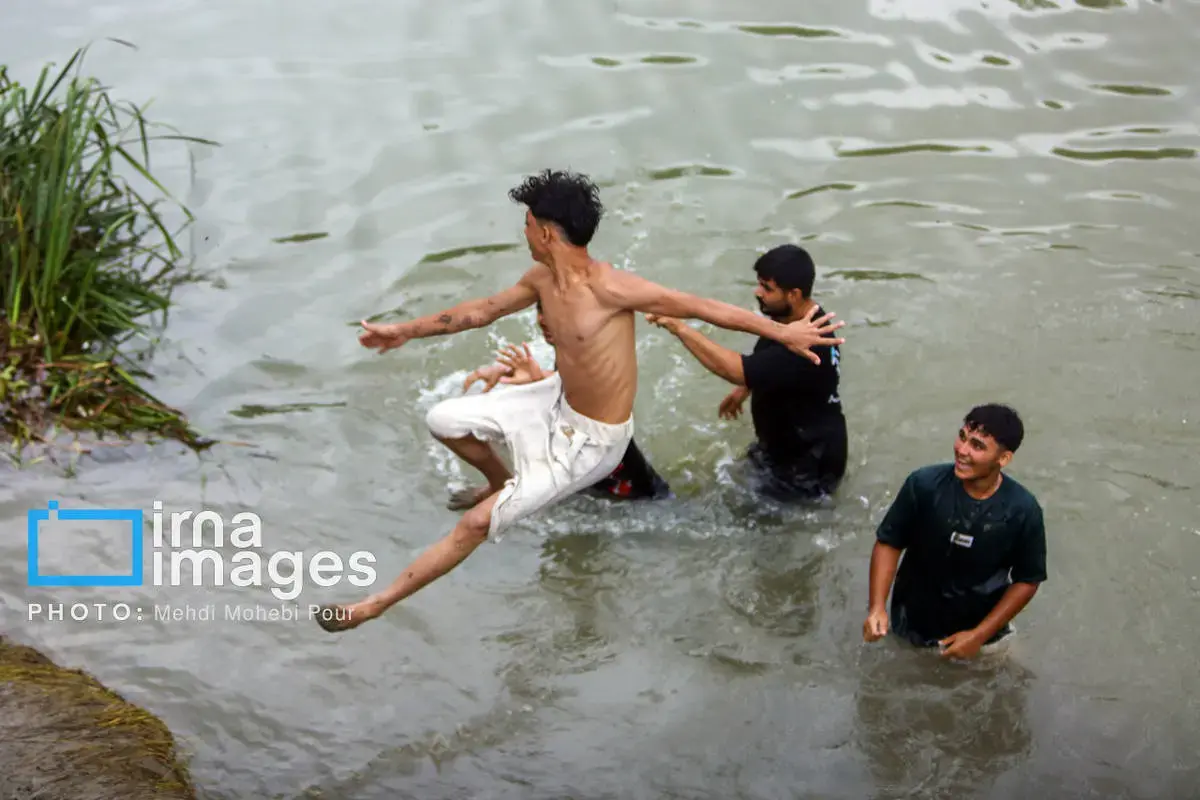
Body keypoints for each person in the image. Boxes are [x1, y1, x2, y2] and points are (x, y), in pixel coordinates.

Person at [316, 168, 845, 632]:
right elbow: (480, 311)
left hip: (596, 440)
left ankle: (374, 604)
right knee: (444, 419)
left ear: (545, 232)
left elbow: (700, 306)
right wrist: (404, 331)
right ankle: (501, 482)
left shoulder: (611, 287)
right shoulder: (541, 278)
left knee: (477, 525)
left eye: (526, 223)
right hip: (555, 397)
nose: (523, 231)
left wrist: (785, 336)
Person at [643, 244, 846, 501]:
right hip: (786, 447)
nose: (758, 293)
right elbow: (770, 362)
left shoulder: (807, 346)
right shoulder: (796, 321)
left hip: (805, 469)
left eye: (767, 288)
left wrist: (679, 328)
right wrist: (746, 389)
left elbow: (734, 369)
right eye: (759, 284)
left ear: (794, 294)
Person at [862, 404, 1047, 659]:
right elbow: (889, 543)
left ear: (1003, 459)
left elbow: (1028, 580)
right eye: (962, 437)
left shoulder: (1023, 510)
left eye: (977, 446)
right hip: (911, 626)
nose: (962, 451)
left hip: (985, 638)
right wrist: (876, 607)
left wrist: (979, 636)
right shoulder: (923, 485)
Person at [459, 300, 672, 502]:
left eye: (555, 316)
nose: (544, 321)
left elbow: (588, 391)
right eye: (542, 314)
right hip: (591, 482)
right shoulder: (567, 355)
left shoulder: (593, 358)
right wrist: (536, 379)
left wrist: (537, 384)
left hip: (638, 496)